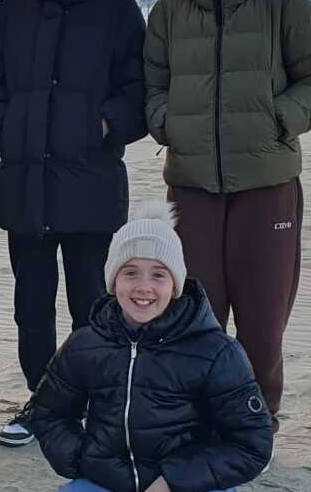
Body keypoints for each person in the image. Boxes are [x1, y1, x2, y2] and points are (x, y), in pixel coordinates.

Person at [0, 0, 148, 447]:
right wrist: (8, 130)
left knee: (94, 303)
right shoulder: (10, 11)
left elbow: (138, 94)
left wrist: (98, 126)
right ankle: (42, 401)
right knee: (31, 305)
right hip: (25, 189)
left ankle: (98, 405)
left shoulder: (119, 11)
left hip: (92, 188)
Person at [144, 0, 311, 433]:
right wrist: (168, 122)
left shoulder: (284, 1)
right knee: (195, 311)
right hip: (191, 186)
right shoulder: (171, 9)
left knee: (263, 319)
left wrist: (279, 118)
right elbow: (154, 85)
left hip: (266, 184)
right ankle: (199, 415)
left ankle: (257, 419)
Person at [29, 201, 273, 492]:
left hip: (190, 484)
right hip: (106, 481)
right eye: (130, 272)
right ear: (112, 280)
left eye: (158, 274)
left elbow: (252, 445)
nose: (143, 286)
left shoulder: (217, 352)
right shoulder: (85, 344)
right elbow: (49, 414)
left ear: (176, 284)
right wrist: (83, 460)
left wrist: (173, 481)